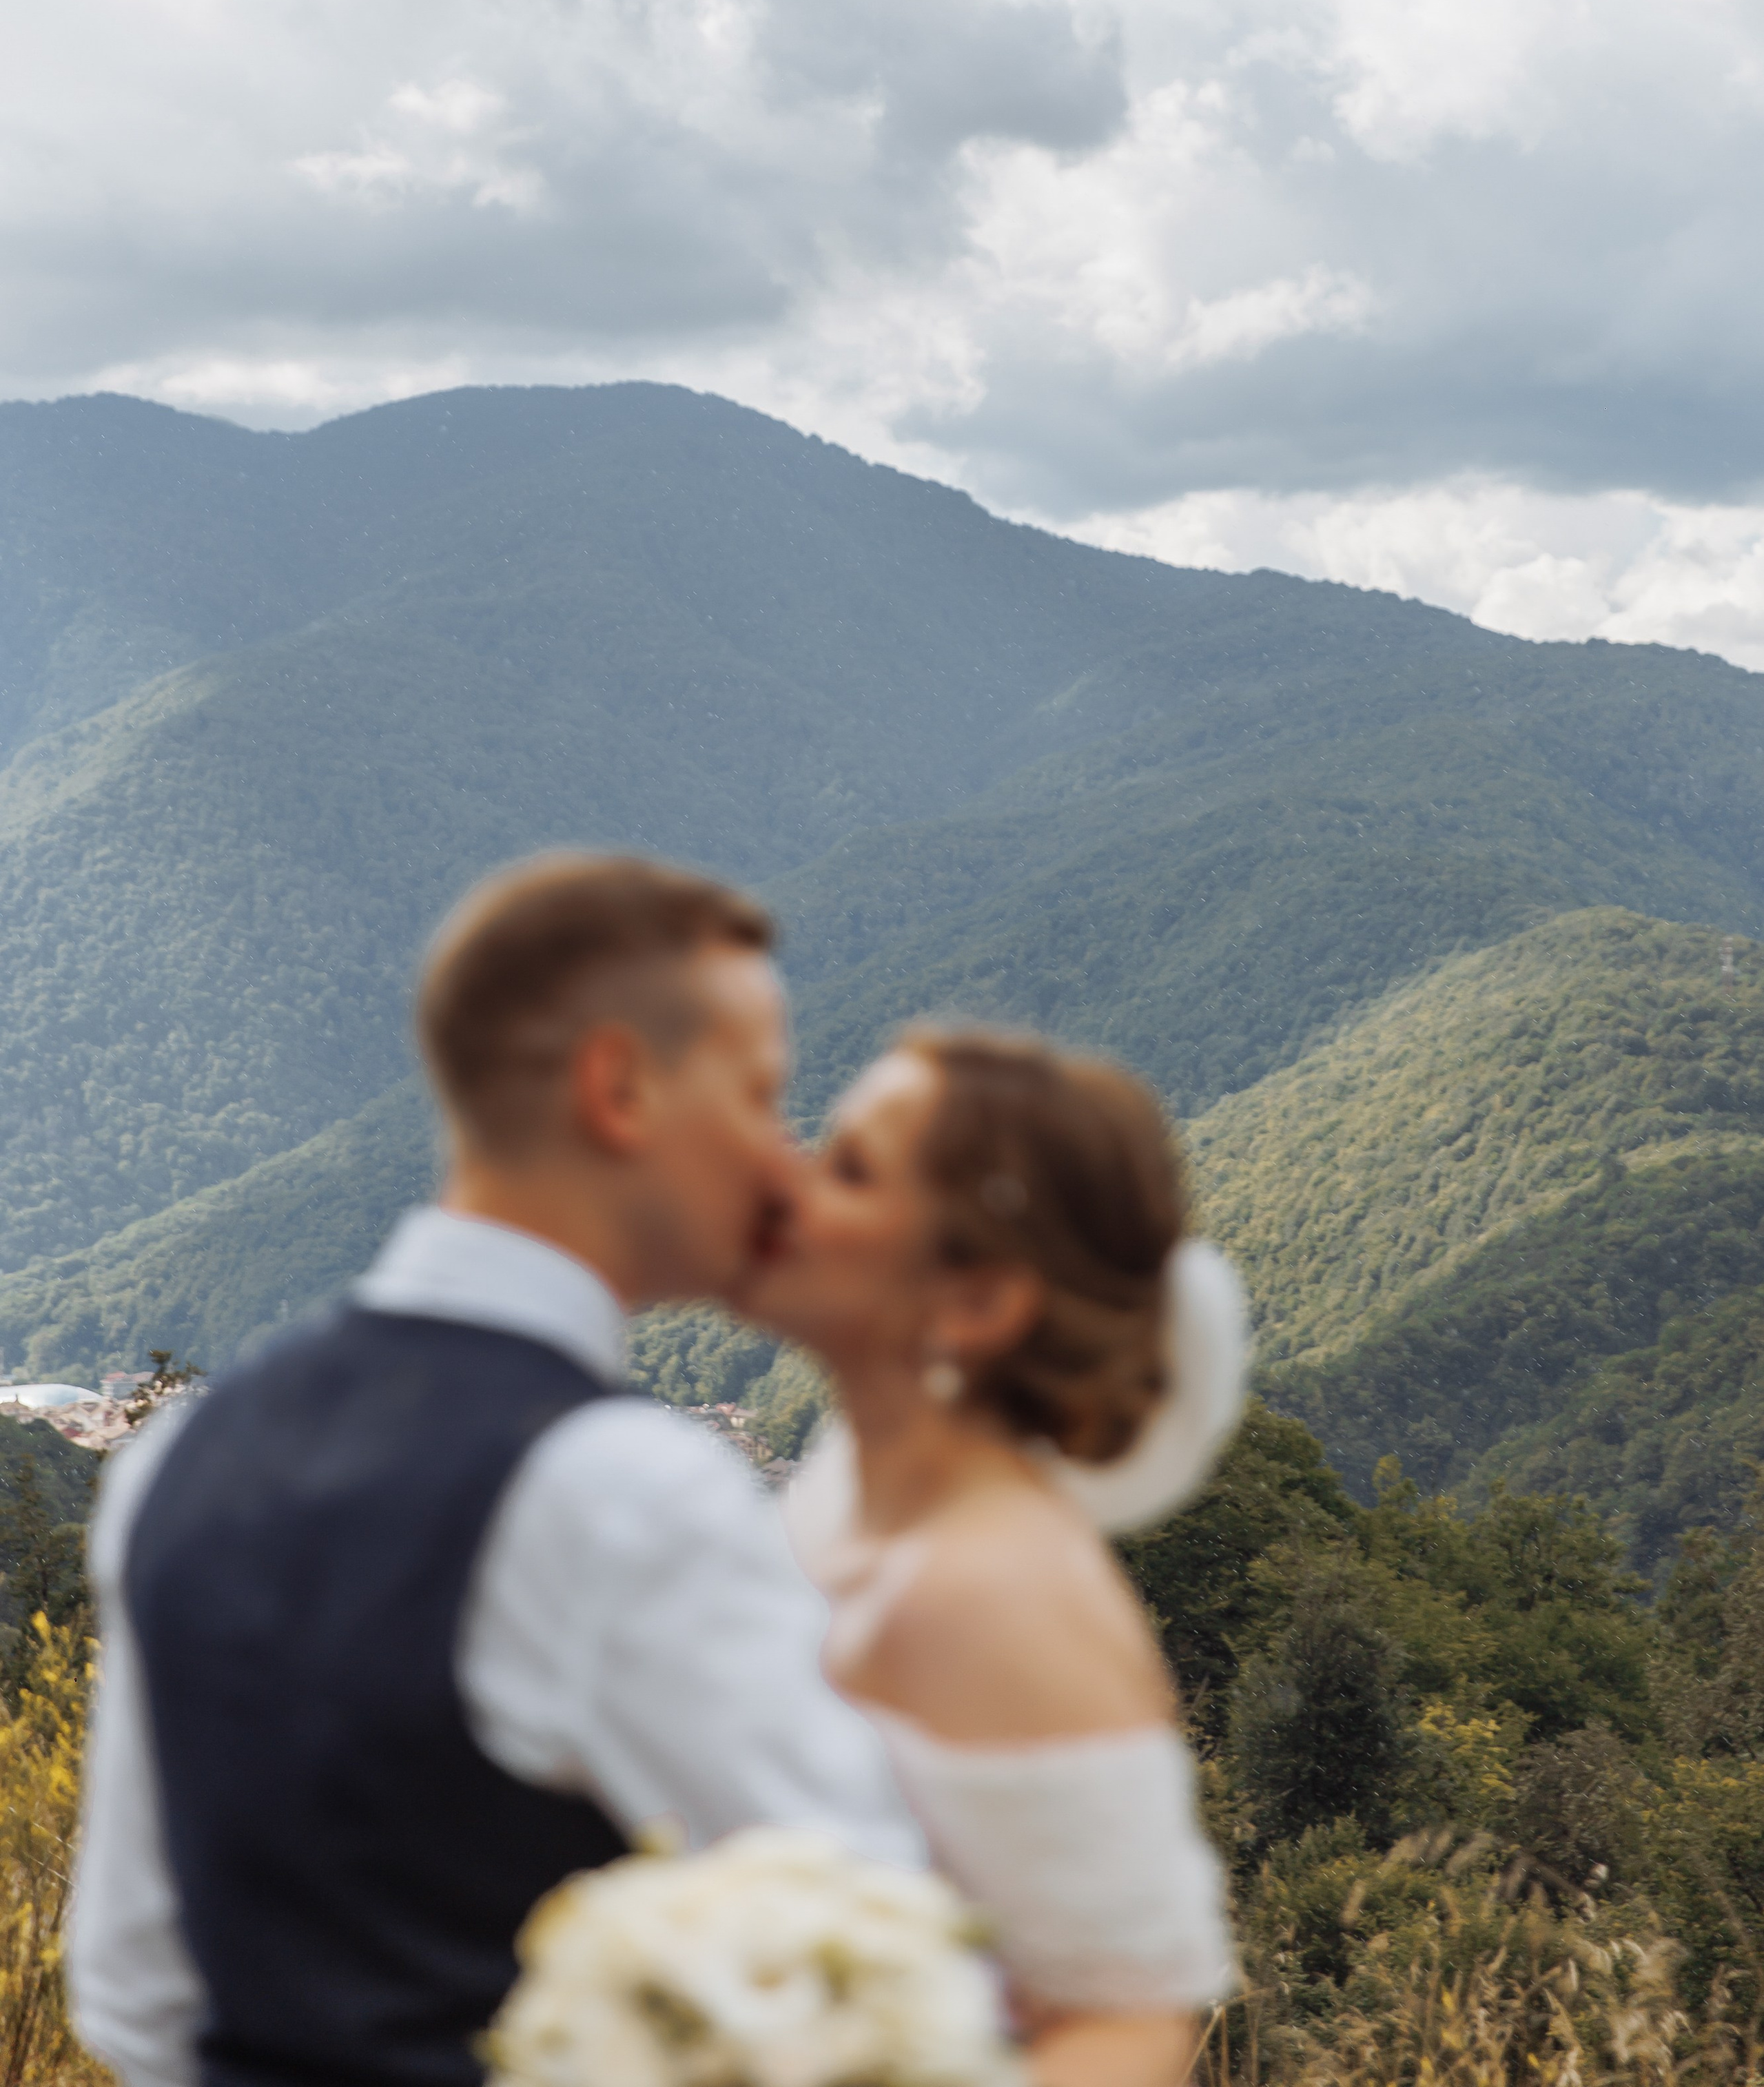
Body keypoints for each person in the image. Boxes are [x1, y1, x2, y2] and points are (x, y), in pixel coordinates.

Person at [69, 854, 919, 2087]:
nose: (783, 1156)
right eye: (757, 1093)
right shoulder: (623, 1490)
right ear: (619, 1087)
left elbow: (134, 1988)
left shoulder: (176, 1461)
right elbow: (868, 1969)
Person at [737, 1023, 1247, 2087]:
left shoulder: (1002, 1596)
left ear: (977, 1302)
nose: (785, 1175)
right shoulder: (842, 1492)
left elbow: (1126, 2029)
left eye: (850, 1169)